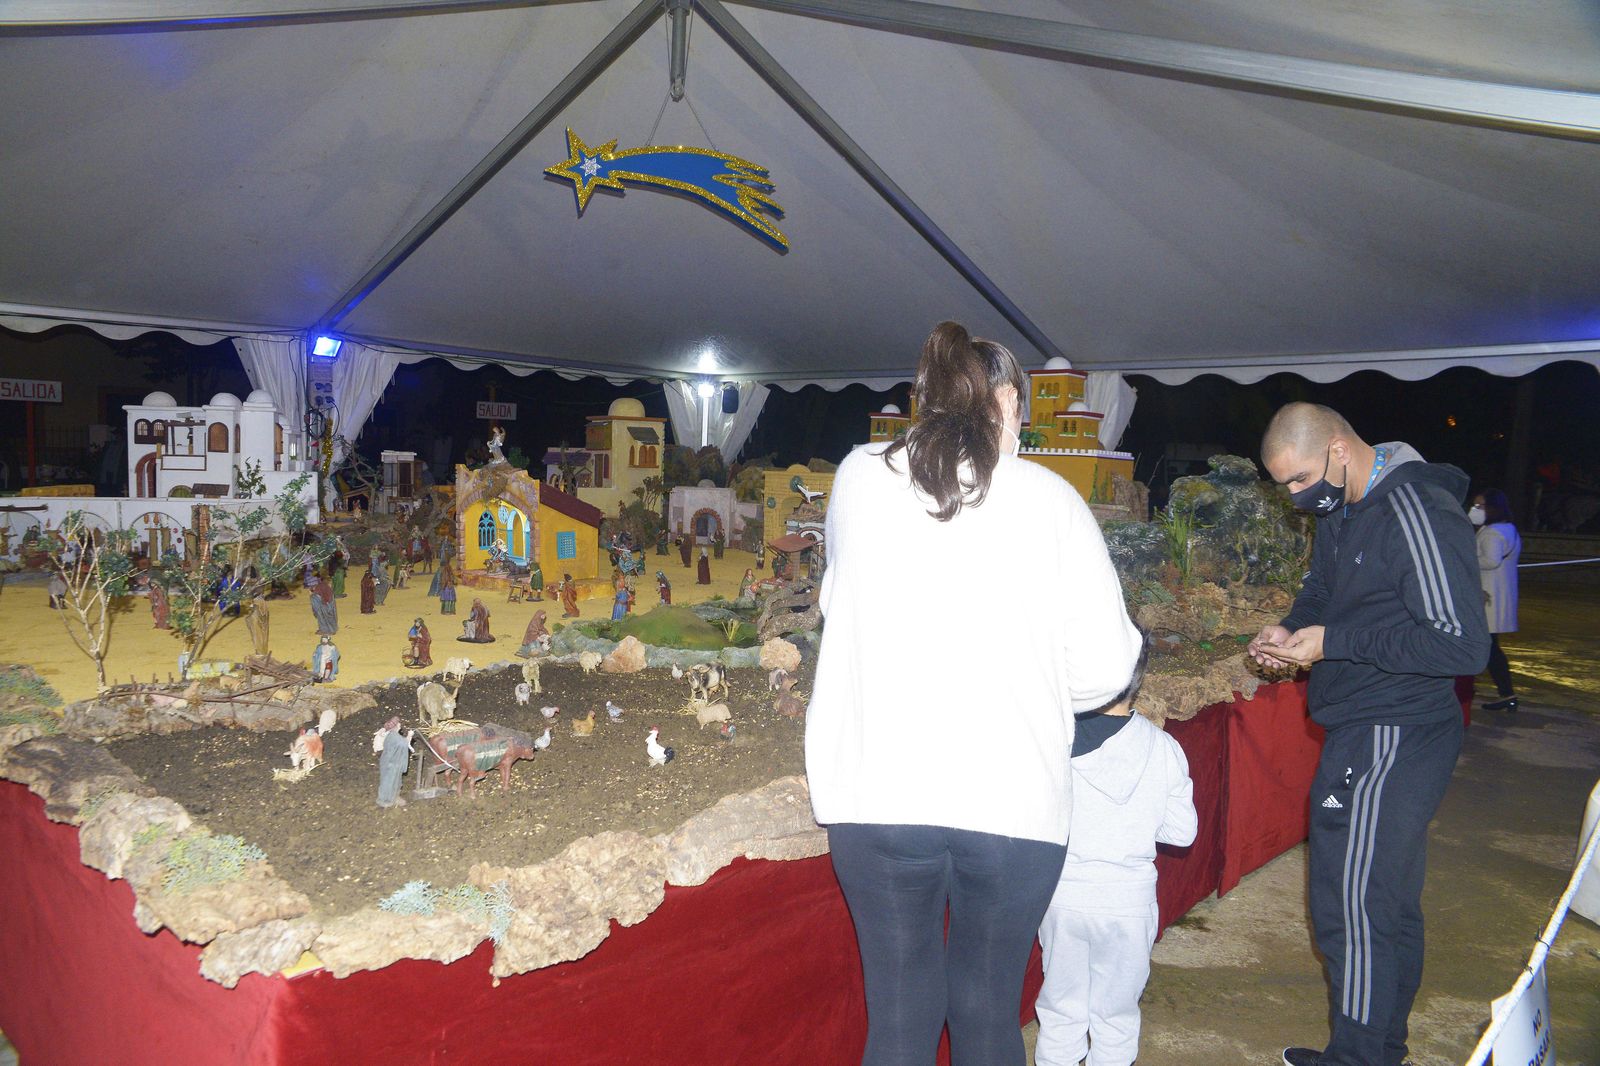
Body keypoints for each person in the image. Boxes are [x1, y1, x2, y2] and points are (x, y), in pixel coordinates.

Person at [806, 321, 1141, 1066]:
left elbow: (837, 603)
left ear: (921, 399)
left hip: (877, 795)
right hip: (1012, 805)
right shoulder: (1053, 500)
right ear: (1006, 403)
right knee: (988, 1011)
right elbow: (1106, 671)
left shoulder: (858, 477)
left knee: (897, 1014)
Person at [1249, 402, 1489, 1066]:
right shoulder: (1345, 508)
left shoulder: (1418, 512)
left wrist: (1334, 644)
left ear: (1338, 449)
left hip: (1395, 730)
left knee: (1351, 904)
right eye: (1285, 487)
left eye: (1300, 480)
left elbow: (1463, 645)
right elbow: (1324, 588)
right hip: (1363, 723)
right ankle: (1379, 1051)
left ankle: (1358, 1058)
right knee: (1381, 900)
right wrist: (1295, 630)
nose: (1298, 498)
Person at [1034, 636, 1195, 1066]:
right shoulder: (1164, 748)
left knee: (1061, 1010)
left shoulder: (1054, 742)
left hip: (1063, 897)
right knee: (1116, 1015)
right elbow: (1182, 833)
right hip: (1128, 901)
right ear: (1138, 680)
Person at [1471, 488, 1521, 712]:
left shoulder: (1492, 532)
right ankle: (1506, 694)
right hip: (1496, 596)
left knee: (1488, 648)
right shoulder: (1507, 529)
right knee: (1489, 647)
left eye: (1480, 506)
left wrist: (1464, 557)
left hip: (1487, 597)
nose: (1475, 510)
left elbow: (1490, 561)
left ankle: (1506, 693)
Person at [376, 717, 412, 807]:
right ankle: (386, 800)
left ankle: (394, 796)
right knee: (389, 781)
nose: (400, 725)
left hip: (389, 761)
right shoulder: (395, 737)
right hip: (391, 764)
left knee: (396, 781)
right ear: (396, 726)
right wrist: (410, 735)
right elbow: (404, 743)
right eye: (399, 723)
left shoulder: (390, 735)